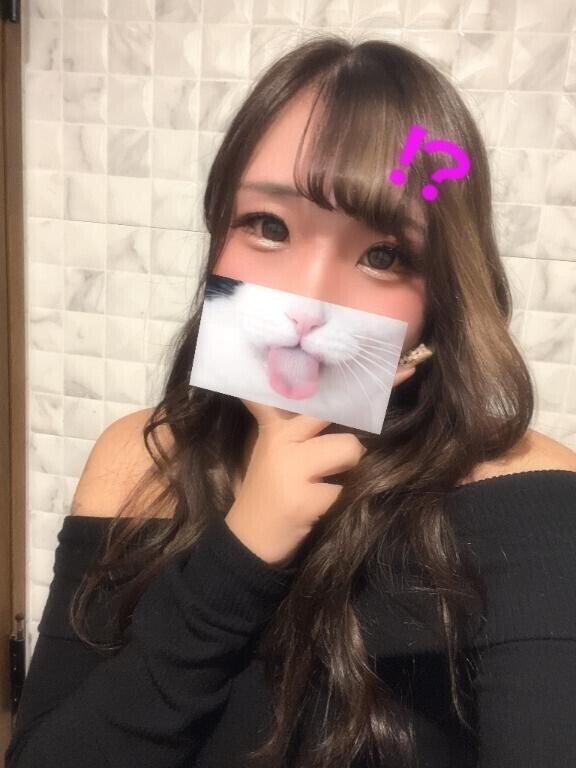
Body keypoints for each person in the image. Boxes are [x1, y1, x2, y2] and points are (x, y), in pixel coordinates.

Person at [6, 34, 576, 768]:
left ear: (442, 294)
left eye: (384, 255)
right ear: (218, 232)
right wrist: (240, 553)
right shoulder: (137, 460)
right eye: (267, 227)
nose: (306, 302)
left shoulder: (529, 497)